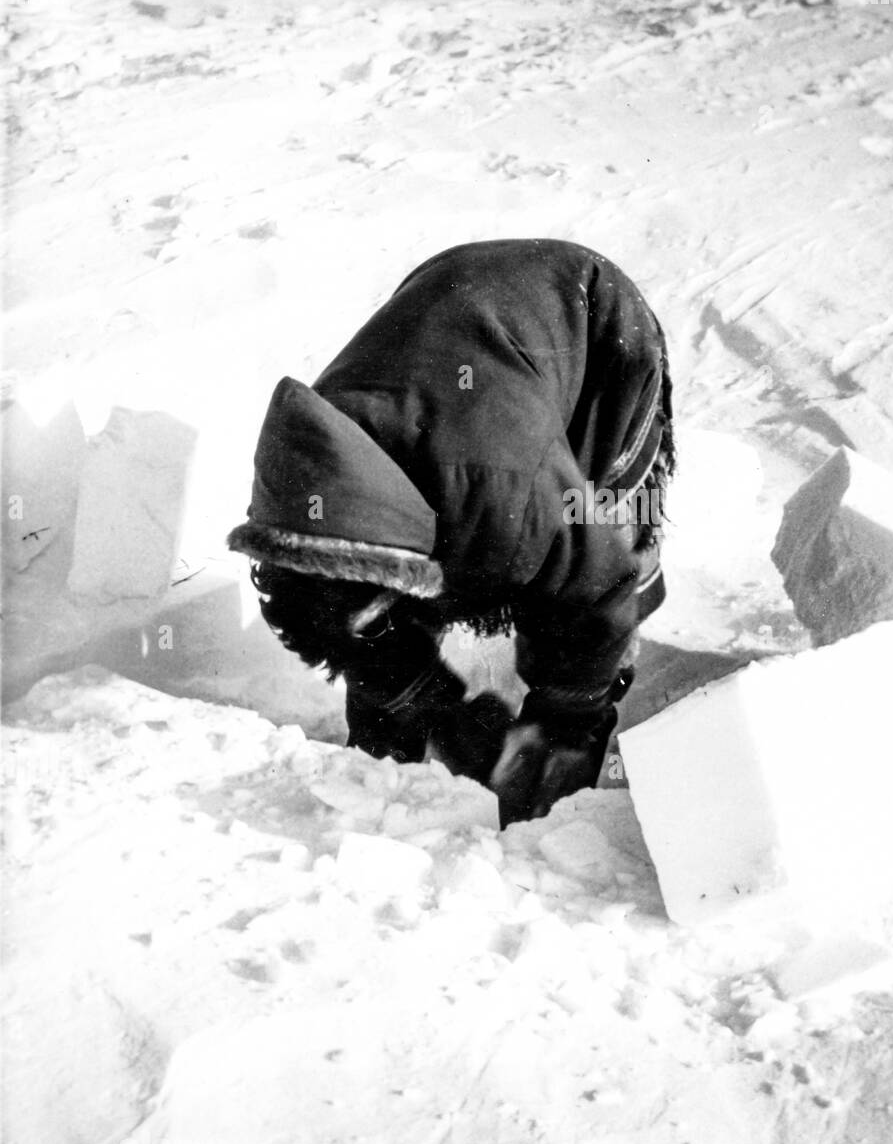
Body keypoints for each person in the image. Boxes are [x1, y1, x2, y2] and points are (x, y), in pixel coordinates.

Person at [227, 239, 673, 826]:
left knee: (591, 543)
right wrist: (422, 702)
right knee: (363, 609)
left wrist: (562, 720)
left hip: (592, 324)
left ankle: (575, 755)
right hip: (456, 320)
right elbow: (334, 615)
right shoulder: (303, 497)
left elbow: (598, 583)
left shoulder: (510, 487)